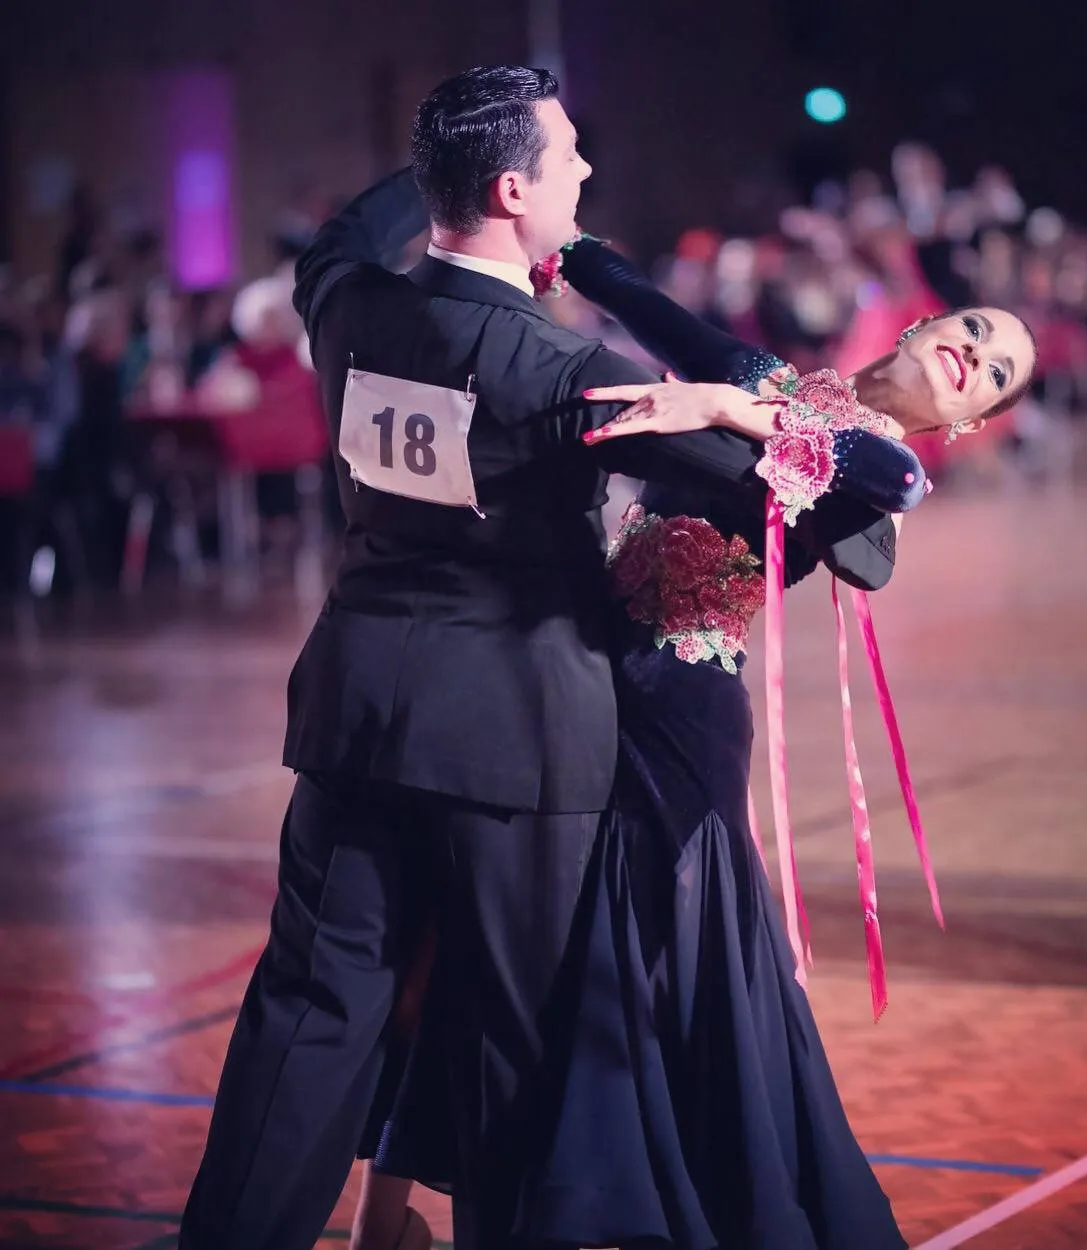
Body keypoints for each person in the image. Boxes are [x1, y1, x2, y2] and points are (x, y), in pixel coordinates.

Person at [179, 67, 899, 1250]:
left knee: (307, 1015)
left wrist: (436, 163)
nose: (585, 177)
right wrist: (717, 393)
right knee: (519, 1046)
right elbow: (855, 506)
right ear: (513, 189)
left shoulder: (346, 307)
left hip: (357, 712)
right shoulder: (569, 376)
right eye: (564, 160)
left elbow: (342, 237)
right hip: (519, 745)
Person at [354, 238, 1037, 1249]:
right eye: (971, 331)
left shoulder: (870, 489)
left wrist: (715, 408)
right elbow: (638, 299)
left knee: (621, 978)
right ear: (918, 325)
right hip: (571, 685)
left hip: (672, 728)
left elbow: (886, 477)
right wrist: (553, 241)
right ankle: (385, 1219)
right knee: (476, 924)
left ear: (970, 419)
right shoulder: (767, 377)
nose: (970, 354)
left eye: (990, 372)